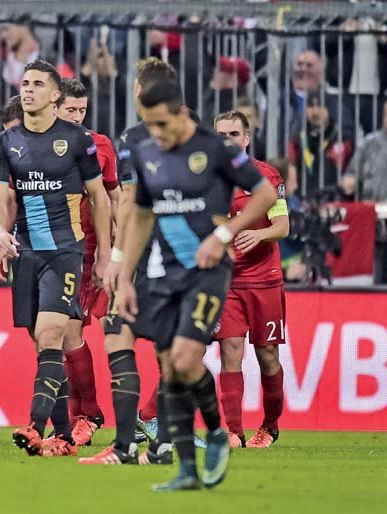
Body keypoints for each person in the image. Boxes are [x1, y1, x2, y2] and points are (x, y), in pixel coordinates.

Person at [114, 77, 277, 491]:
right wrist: (125, 277)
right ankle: (187, 468)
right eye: (149, 126)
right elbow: (142, 217)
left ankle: (218, 434)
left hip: (208, 271)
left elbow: (261, 194)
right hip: (162, 272)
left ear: (182, 113)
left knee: (187, 359)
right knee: (170, 366)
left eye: (163, 124)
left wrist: (224, 235)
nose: (156, 135)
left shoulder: (217, 150)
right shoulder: (149, 153)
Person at [0, 60, 111, 458]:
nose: (28, 90)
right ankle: (60, 436)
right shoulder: (6, 143)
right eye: (25, 83)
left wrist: (106, 254)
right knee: (43, 346)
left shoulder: (77, 140)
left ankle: (34, 425)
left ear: (55, 95)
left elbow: (100, 196)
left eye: (38, 84)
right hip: (27, 252)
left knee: (51, 335)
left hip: (65, 251)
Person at [98, 57, 196, 467]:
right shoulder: (201, 135)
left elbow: (133, 204)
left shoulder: (134, 136)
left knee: (120, 332)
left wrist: (119, 257)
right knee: (161, 348)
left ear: (139, 91)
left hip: (153, 256)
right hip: (186, 257)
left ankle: (125, 446)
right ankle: (164, 444)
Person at [46, 78, 119, 449]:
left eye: (82, 111)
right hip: (56, 252)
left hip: (92, 254)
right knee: (61, 337)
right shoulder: (38, 144)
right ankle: (80, 417)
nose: (77, 117)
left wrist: (115, 253)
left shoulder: (100, 145)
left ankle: (87, 417)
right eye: (70, 110)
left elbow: (114, 196)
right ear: (55, 107)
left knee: (88, 334)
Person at [214, 110, 289, 449]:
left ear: (246, 138)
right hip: (227, 281)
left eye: (233, 134)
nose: (226, 140)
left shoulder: (266, 177)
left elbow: (283, 227)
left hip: (264, 280)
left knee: (267, 356)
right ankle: (233, 431)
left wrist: (259, 236)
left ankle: (270, 426)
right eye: (221, 134)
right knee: (230, 351)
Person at [342, 99, 387, 202]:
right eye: (386, 115)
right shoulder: (369, 143)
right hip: (372, 208)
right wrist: (349, 181)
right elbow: (352, 172)